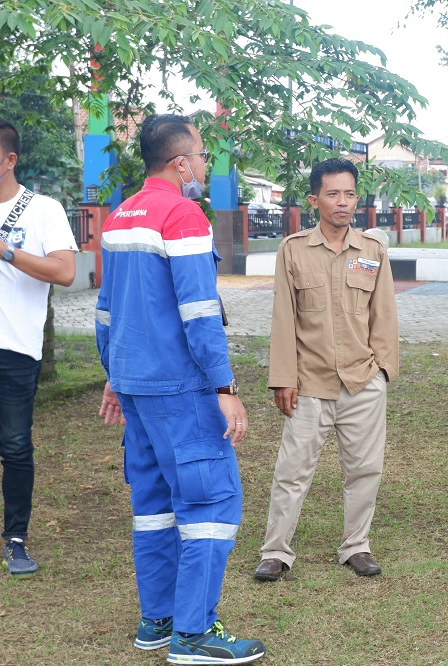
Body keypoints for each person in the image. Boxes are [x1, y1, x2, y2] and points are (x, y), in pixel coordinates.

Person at [95, 114, 264, 664]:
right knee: (211, 500)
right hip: (180, 388)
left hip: (137, 388)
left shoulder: (120, 216)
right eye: (201, 155)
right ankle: (193, 632)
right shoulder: (183, 215)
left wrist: (115, 376)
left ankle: (158, 622)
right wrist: (225, 385)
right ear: (180, 163)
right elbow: (199, 311)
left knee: (154, 506)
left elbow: (106, 310)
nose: (204, 166)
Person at [253, 158, 398, 581]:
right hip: (309, 385)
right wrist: (284, 379)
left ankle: (357, 546)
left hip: (362, 382)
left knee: (364, 471)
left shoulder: (372, 251)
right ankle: (275, 552)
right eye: (333, 194)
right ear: (314, 200)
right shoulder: (293, 249)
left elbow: (384, 315)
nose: (342, 202)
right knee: (291, 473)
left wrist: (383, 372)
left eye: (349, 194)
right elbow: (284, 318)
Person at [0, 120, 77, 579]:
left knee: (14, 445)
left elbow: (65, 272)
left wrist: (6, 251)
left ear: (10, 159)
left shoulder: (42, 209)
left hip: (14, 346)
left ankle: (15, 540)